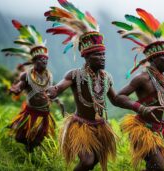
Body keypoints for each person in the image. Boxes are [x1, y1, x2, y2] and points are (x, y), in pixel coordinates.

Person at [45, 1, 116, 170]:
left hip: (100, 126)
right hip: (80, 125)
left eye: (104, 54)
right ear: (87, 57)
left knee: (95, 161)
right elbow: (61, 86)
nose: (103, 58)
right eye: (98, 55)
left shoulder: (106, 77)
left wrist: (140, 107)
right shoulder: (75, 75)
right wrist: (54, 90)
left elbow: (116, 99)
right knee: (86, 161)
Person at [112, 8, 164, 171]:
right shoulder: (142, 78)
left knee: (154, 167)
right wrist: (141, 108)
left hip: (160, 129)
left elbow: (159, 100)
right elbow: (119, 97)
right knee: (159, 168)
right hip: (143, 129)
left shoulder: (162, 79)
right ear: (153, 58)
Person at [1, 19, 61, 152]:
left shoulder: (49, 75)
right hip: (31, 112)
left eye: (46, 59)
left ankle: (31, 151)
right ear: (34, 61)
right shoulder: (26, 75)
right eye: (41, 59)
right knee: (22, 137)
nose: (44, 61)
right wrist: (14, 89)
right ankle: (27, 150)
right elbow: (19, 86)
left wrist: (57, 100)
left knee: (39, 138)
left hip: (44, 112)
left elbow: (49, 91)